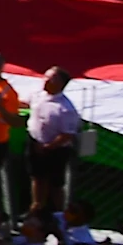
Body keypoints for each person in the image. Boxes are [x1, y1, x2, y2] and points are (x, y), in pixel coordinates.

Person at [26, 66, 82, 214]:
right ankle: (37, 208)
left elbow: (67, 134)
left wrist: (49, 146)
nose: (45, 81)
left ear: (60, 83)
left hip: (56, 149)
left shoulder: (65, 108)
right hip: (35, 142)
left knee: (56, 183)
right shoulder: (38, 95)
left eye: (50, 78)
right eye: (45, 77)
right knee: (37, 178)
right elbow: (24, 104)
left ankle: (58, 214)